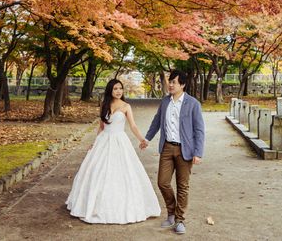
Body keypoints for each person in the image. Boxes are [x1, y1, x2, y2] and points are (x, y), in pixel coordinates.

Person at [66, 79, 160, 224]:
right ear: (110, 90)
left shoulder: (126, 106)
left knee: (122, 172)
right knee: (97, 171)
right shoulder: (104, 105)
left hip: (119, 141)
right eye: (115, 88)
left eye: (120, 88)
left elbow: (133, 126)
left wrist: (143, 139)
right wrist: (95, 142)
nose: (118, 91)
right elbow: (101, 126)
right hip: (103, 141)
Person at [141, 70, 205, 235]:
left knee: (183, 186)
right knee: (162, 182)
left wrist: (198, 152)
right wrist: (147, 139)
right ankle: (171, 212)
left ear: (182, 85)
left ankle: (179, 220)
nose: (170, 85)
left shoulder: (193, 103)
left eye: (174, 82)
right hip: (167, 147)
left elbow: (199, 130)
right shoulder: (165, 102)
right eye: (170, 81)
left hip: (186, 150)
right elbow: (157, 122)